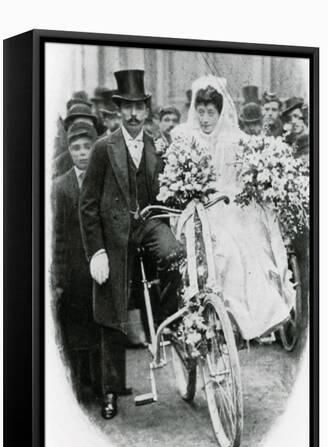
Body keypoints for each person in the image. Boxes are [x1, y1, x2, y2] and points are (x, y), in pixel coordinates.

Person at [80, 69, 183, 420]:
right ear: (118, 110)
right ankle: (110, 391)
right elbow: (88, 205)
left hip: (150, 224)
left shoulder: (157, 145)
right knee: (113, 314)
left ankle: (172, 320)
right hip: (114, 238)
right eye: (128, 108)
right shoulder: (102, 149)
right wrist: (97, 250)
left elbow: (169, 192)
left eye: (140, 107)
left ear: (146, 109)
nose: (135, 114)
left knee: (176, 256)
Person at [171, 75, 295, 342]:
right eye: (201, 112)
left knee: (250, 245)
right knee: (226, 250)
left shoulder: (233, 140)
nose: (204, 119)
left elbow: (239, 181)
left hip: (226, 207)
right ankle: (224, 317)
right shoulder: (183, 138)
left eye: (210, 113)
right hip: (195, 210)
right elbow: (177, 182)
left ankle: (250, 320)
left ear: (220, 112)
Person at [51, 121, 101, 401]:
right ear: (68, 151)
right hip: (73, 271)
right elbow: (56, 234)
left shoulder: (103, 180)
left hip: (98, 267)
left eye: (87, 147)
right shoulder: (60, 187)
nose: (82, 153)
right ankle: (78, 386)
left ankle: (99, 385)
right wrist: (58, 276)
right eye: (75, 148)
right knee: (75, 332)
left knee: (97, 330)